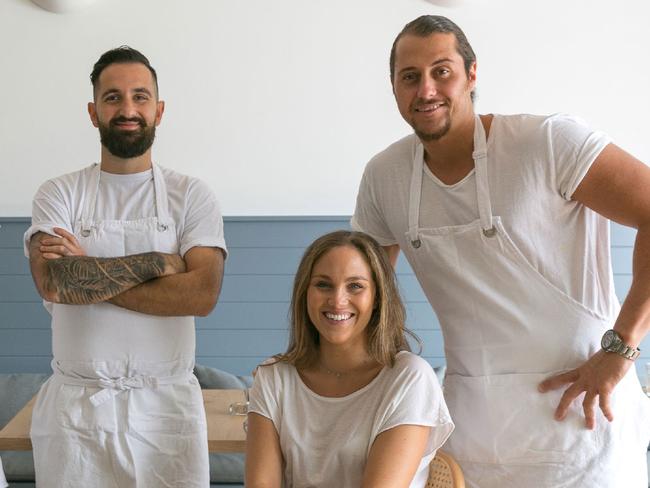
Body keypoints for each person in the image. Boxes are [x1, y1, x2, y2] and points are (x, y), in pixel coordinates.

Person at [351, 15, 650, 488]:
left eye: (441, 71)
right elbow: (358, 294)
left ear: (472, 75)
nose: (425, 89)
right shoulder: (383, 177)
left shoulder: (548, 142)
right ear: (393, 87)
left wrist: (622, 348)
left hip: (582, 426)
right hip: (472, 435)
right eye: (409, 77)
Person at [24, 46, 226, 488]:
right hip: (77, 413)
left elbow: (202, 294)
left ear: (160, 110)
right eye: (113, 98)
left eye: (140, 96)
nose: (128, 109)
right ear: (93, 112)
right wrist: (160, 264)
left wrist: (89, 273)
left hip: (168, 410)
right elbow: (54, 282)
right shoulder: (59, 193)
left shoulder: (191, 195)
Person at [245, 230, 454, 487]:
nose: (337, 300)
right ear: (305, 293)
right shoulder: (273, 377)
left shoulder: (410, 378)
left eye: (355, 286)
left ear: (377, 298)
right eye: (323, 284)